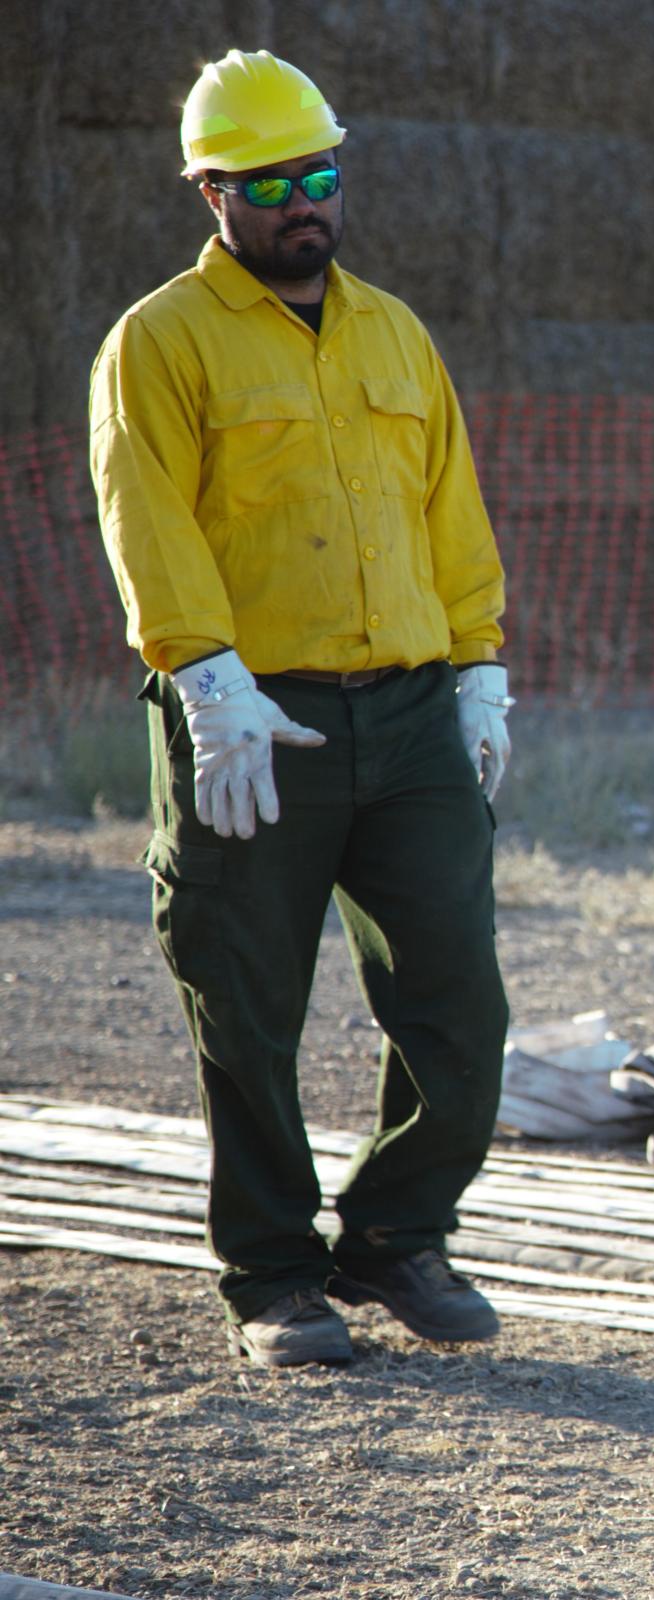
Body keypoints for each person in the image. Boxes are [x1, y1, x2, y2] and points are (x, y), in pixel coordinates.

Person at [89, 50, 515, 1370]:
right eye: (273, 182)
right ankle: (273, 1276)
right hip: (249, 720)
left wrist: (480, 664)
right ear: (212, 192)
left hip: (409, 713)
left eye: (320, 174)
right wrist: (204, 677)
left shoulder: (395, 332)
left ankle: (393, 1232)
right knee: (248, 1002)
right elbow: (145, 516)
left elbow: (449, 511)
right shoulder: (161, 342)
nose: (305, 203)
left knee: (460, 1001)